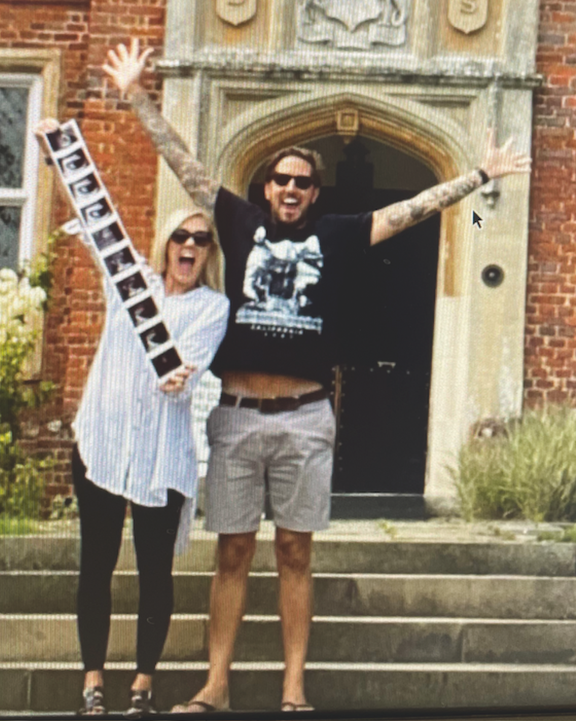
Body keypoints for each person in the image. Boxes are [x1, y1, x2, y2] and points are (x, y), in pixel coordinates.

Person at [101, 38, 531, 713]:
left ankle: (293, 687)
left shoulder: (338, 235)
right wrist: (135, 95)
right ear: (266, 188)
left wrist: (479, 176)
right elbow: (182, 162)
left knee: (296, 553)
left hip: (305, 416)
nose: (292, 190)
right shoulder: (237, 221)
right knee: (233, 553)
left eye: (302, 182)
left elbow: (413, 208)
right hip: (238, 414)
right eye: (282, 180)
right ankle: (216, 683)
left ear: (314, 192)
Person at [62, 193, 230, 717]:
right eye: (181, 236)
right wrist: (56, 155)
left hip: (162, 455)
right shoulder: (131, 283)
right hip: (104, 444)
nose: (189, 246)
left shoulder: (213, 307)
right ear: (166, 243)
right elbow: (97, 230)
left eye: (201, 240)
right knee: (97, 564)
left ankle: (141, 685)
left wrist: (180, 375)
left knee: (155, 573)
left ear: (209, 254)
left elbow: (188, 369)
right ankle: (93, 683)